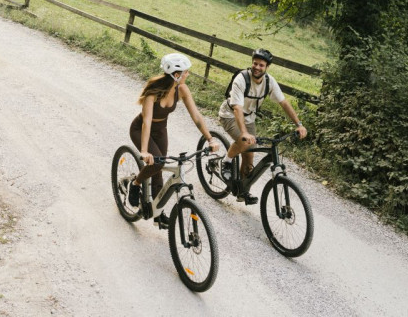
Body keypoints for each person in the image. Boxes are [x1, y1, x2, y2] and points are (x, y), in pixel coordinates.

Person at [128, 52, 219, 227]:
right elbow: (146, 122)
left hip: (161, 130)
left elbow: (196, 117)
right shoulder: (153, 93)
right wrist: (145, 151)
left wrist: (210, 139)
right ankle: (135, 183)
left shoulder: (182, 89)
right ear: (176, 75)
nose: (188, 75)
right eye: (186, 72)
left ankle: (157, 214)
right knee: (156, 164)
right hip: (140, 130)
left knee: (159, 168)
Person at [218, 48, 307, 205]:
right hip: (230, 115)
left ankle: (242, 191)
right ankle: (226, 162)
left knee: (249, 154)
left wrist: (298, 124)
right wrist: (244, 132)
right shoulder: (241, 79)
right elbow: (237, 108)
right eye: (255, 64)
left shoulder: (269, 81)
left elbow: (284, 103)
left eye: (261, 65)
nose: (257, 67)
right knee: (244, 141)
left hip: (249, 117)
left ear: (267, 67)